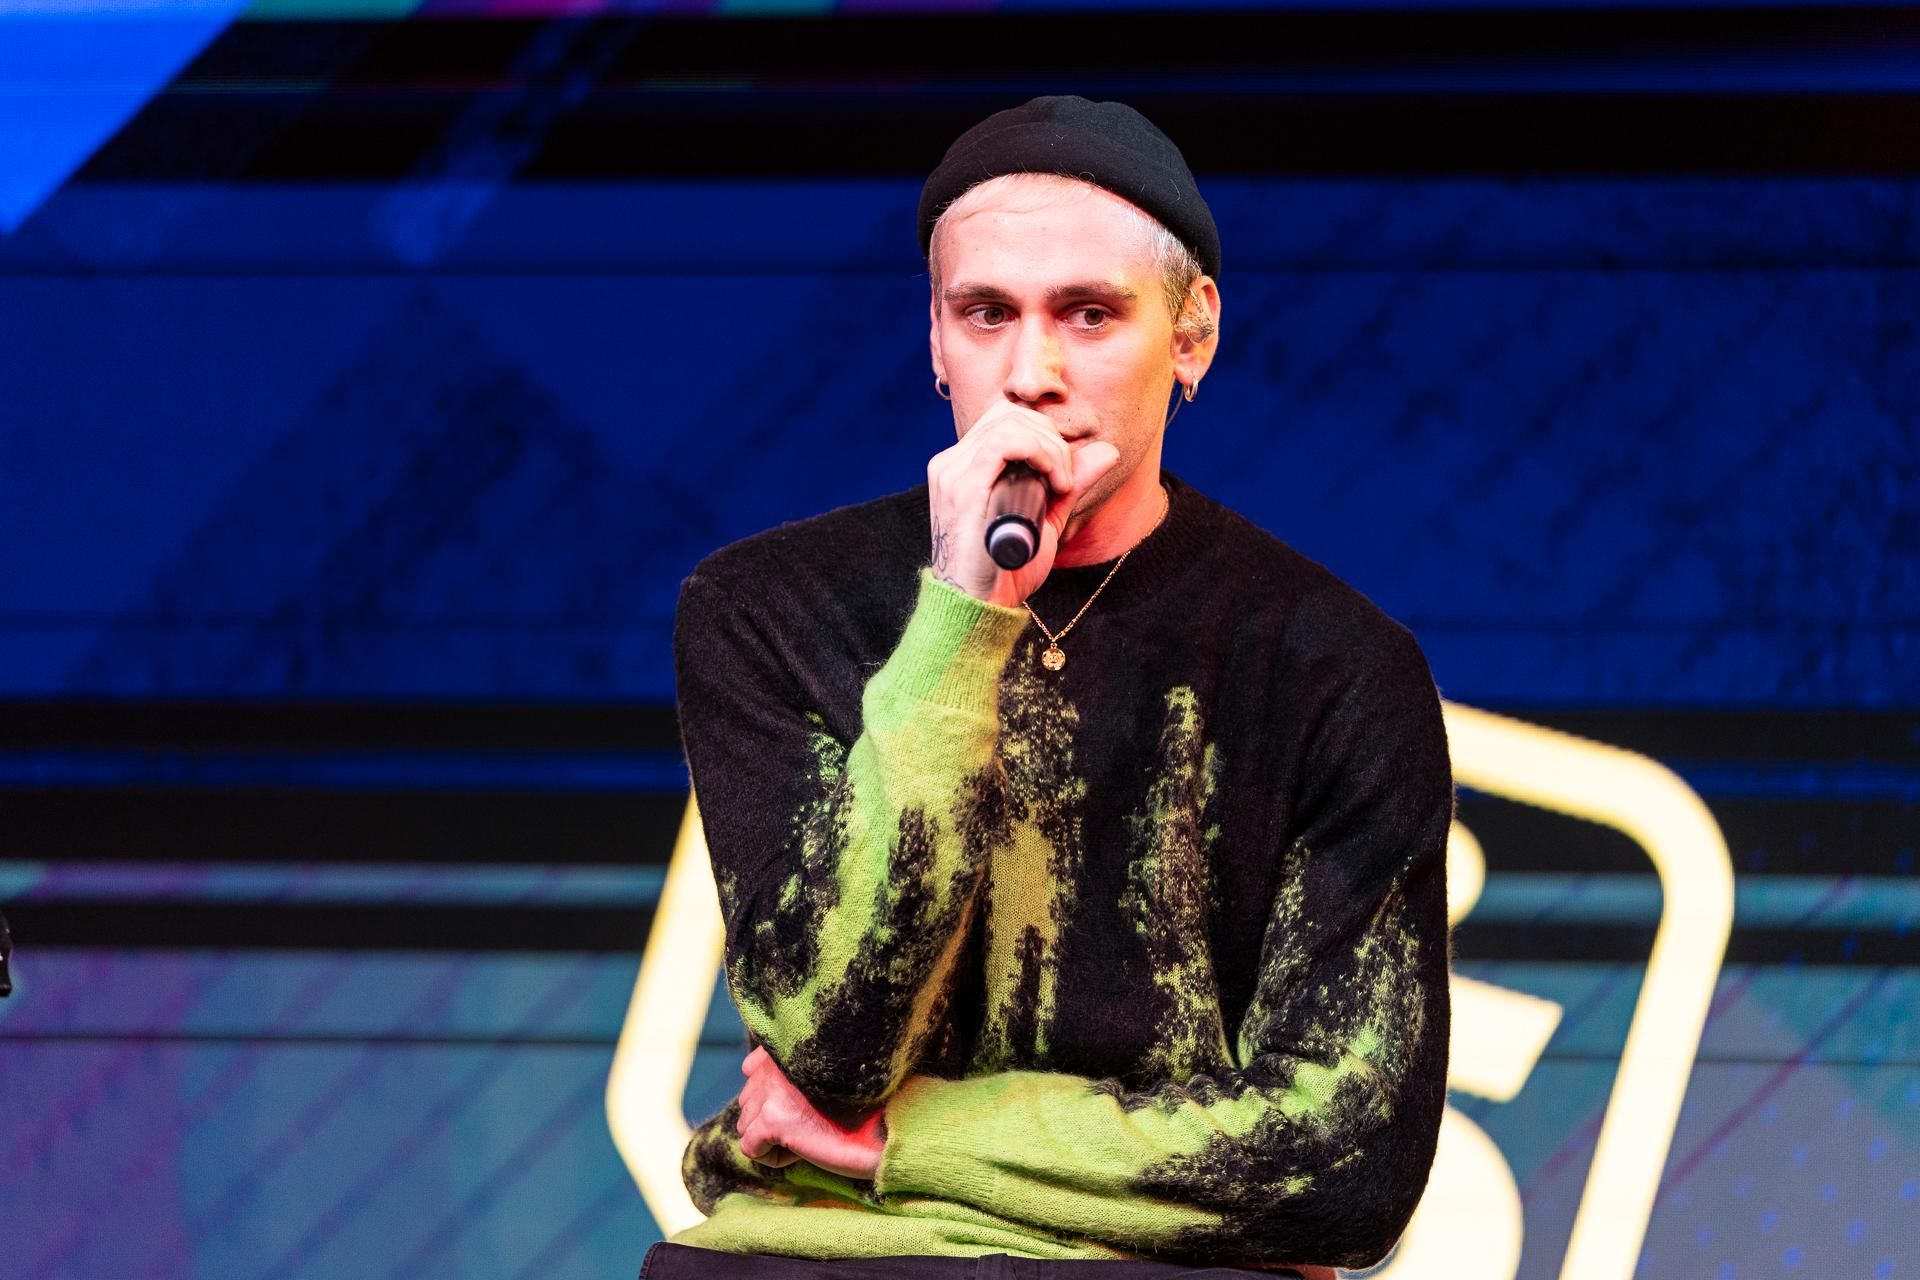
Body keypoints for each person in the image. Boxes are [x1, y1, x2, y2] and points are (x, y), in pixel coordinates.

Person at [654, 96, 1452, 1278]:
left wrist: (910, 1144)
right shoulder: (765, 607)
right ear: (935, 340)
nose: (1032, 373)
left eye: (1090, 313)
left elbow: (1349, 1162)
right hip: (824, 1260)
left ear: (1193, 335)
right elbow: (834, 1043)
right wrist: (961, 615)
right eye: (987, 313)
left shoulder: (1336, 666)